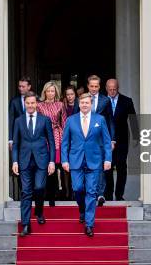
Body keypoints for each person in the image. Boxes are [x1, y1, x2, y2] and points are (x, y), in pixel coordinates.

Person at [61, 93, 112, 237]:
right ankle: (82, 210)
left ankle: (89, 224)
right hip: (76, 160)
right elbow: (65, 142)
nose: (84, 105)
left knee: (91, 191)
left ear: (91, 104)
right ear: (79, 104)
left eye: (87, 103)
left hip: (94, 161)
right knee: (77, 188)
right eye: (82, 102)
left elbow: (107, 142)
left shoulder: (100, 119)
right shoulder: (71, 120)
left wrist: (107, 159)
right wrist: (64, 160)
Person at [11, 92, 56, 236]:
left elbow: (52, 142)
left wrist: (52, 161)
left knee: (39, 187)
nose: (30, 106)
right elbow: (16, 143)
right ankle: (25, 224)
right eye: (28, 103)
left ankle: (39, 211)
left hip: (41, 159)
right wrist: (15, 161)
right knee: (25, 192)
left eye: (32, 103)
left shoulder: (45, 120)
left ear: (37, 104)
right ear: (25, 104)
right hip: (24, 161)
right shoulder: (18, 121)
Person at [104, 79, 137, 201]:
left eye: (114, 89)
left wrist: (136, 136)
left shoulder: (127, 101)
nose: (112, 91)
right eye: (110, 89)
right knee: (107, 167)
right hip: (105, 139)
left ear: (118, 88)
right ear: (106, 88)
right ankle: (108, 194)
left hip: (122, 139)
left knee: (121, 167)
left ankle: (119, 195)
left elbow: (133, 119)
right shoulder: (101, 101)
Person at [87, 75, 115, 206]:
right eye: (91, 86)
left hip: (100, 139)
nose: (93, 88)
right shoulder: (82, 100)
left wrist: (112, 139)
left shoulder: (105, 101)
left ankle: (100, 194)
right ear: (88, 86)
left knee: (101, 166)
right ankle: (90, 192)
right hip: (85, 139)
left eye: (96, 86)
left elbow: (110, 121)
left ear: (99, 86)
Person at [37, 81, 67, 205]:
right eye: (48, 91)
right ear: (45, 92)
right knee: (44, 166)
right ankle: (44, 194)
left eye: (52, 91)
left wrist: (65, 139)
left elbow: (64, 123)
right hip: (43, 137)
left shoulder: (60, 105)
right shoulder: (39, 106)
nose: (50, 93)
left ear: (56, 92)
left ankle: (56, 194)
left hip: (57, 136)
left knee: (56, 166)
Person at [8, 76, 32, 200]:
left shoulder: (35, 100)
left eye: (23, 86)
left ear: (29, 87)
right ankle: (23, 193)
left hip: (33, 139)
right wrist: (10, 139)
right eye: (19, 86)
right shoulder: (14, 101)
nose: (20, 88)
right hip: (19, 139)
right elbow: (11, 120)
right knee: (21, 166)